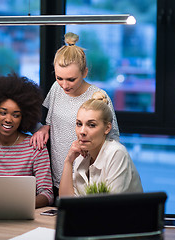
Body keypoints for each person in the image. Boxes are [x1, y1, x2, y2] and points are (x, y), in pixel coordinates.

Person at [30, 32, 120, 197]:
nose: (64, 85)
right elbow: (51, 121)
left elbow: (113, 140)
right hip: (58, 176)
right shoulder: (56, 89)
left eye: (71, 79)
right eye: (59, 78)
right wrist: (44, 129)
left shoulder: (99, 96)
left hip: (88, 180)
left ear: (85, 72)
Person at [0, 74, 53, 208]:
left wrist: (19, 206)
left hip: (23, 212)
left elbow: (47, 193)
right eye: (3, 112)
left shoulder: (35, 147)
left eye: (15, 115)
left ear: (23, 117)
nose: (8, 119)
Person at [59, 92, 143, 196]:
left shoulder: (116, 153)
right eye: (79, 124)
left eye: (91, 125)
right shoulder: (81, 156)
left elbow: (110, 207)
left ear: (107, 128)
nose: (82, 131)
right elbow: (66, 202)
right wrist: (68, 161)